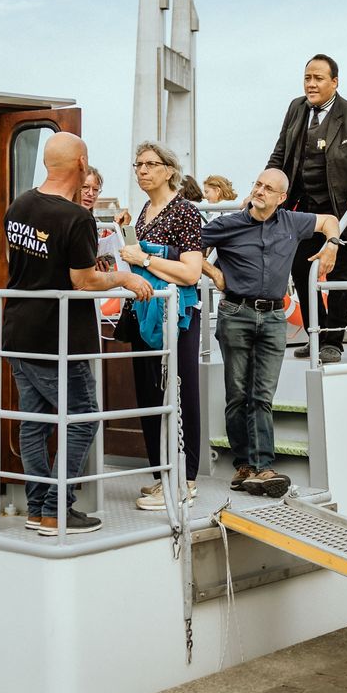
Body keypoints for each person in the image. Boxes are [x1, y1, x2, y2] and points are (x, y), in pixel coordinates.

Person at [0, 132, 153, 537]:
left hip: (18, 332)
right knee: (83, 418)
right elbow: (83, 281)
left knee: (34, 422)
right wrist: (125, 278)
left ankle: (38, 508)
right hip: (58, 338)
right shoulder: (77, 218)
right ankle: (57, 511)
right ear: (82, 164)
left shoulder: (19, 206)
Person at [201, 168, 339, 497]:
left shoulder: (292, 222)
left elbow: (329, 221)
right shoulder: (227, 224)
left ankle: (263, 467)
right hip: (236, 313)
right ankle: (244, 466)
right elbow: (189, 246)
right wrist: (214, 274)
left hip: (275, 317)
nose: (260, 191)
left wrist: (332, 245)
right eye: (258, 185)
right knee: (237, 394)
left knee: (262, 395)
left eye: (268, 188)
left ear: (282, 198)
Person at [264, 53, 347, 364]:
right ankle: (315, 334)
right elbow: (280, 153)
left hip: (340, 209)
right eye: (307, 78)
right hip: (301, 208)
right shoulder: (296, 108)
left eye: (318, 78)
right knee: (300, 268)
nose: (311, 84)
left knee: (340, 273)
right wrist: (263, 187)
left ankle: (334, 341)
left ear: (334, 82)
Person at [116, 141, 207, 512]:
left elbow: (191, 272)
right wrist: (127, 242)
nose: (142, 170)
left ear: (169, 170)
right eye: (138, 164)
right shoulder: (144, 211)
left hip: (176, 315)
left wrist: (145, 258)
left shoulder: (185, 211)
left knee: (180, 393)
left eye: (150, 164)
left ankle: (185, 479)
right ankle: (162, 474)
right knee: (149, 394)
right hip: (144, 311)